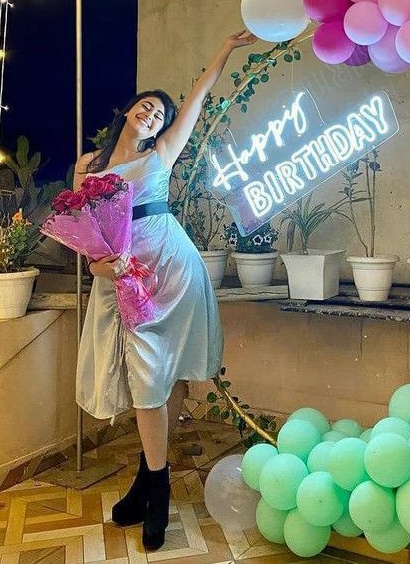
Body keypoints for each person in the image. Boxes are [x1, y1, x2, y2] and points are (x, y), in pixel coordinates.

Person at [74, 29, 256, 550]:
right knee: (148, 380)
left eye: (159, 116)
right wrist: (97, 269)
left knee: (165, 375)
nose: (152, 117)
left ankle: (151, 485)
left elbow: (199, 94)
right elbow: (84, 231)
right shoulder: (88, 166)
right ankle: (153, 485)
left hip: (173, 272)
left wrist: (222, 47)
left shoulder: (162, 155)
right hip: (127, 281)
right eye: (147, 108)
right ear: (130, 109)